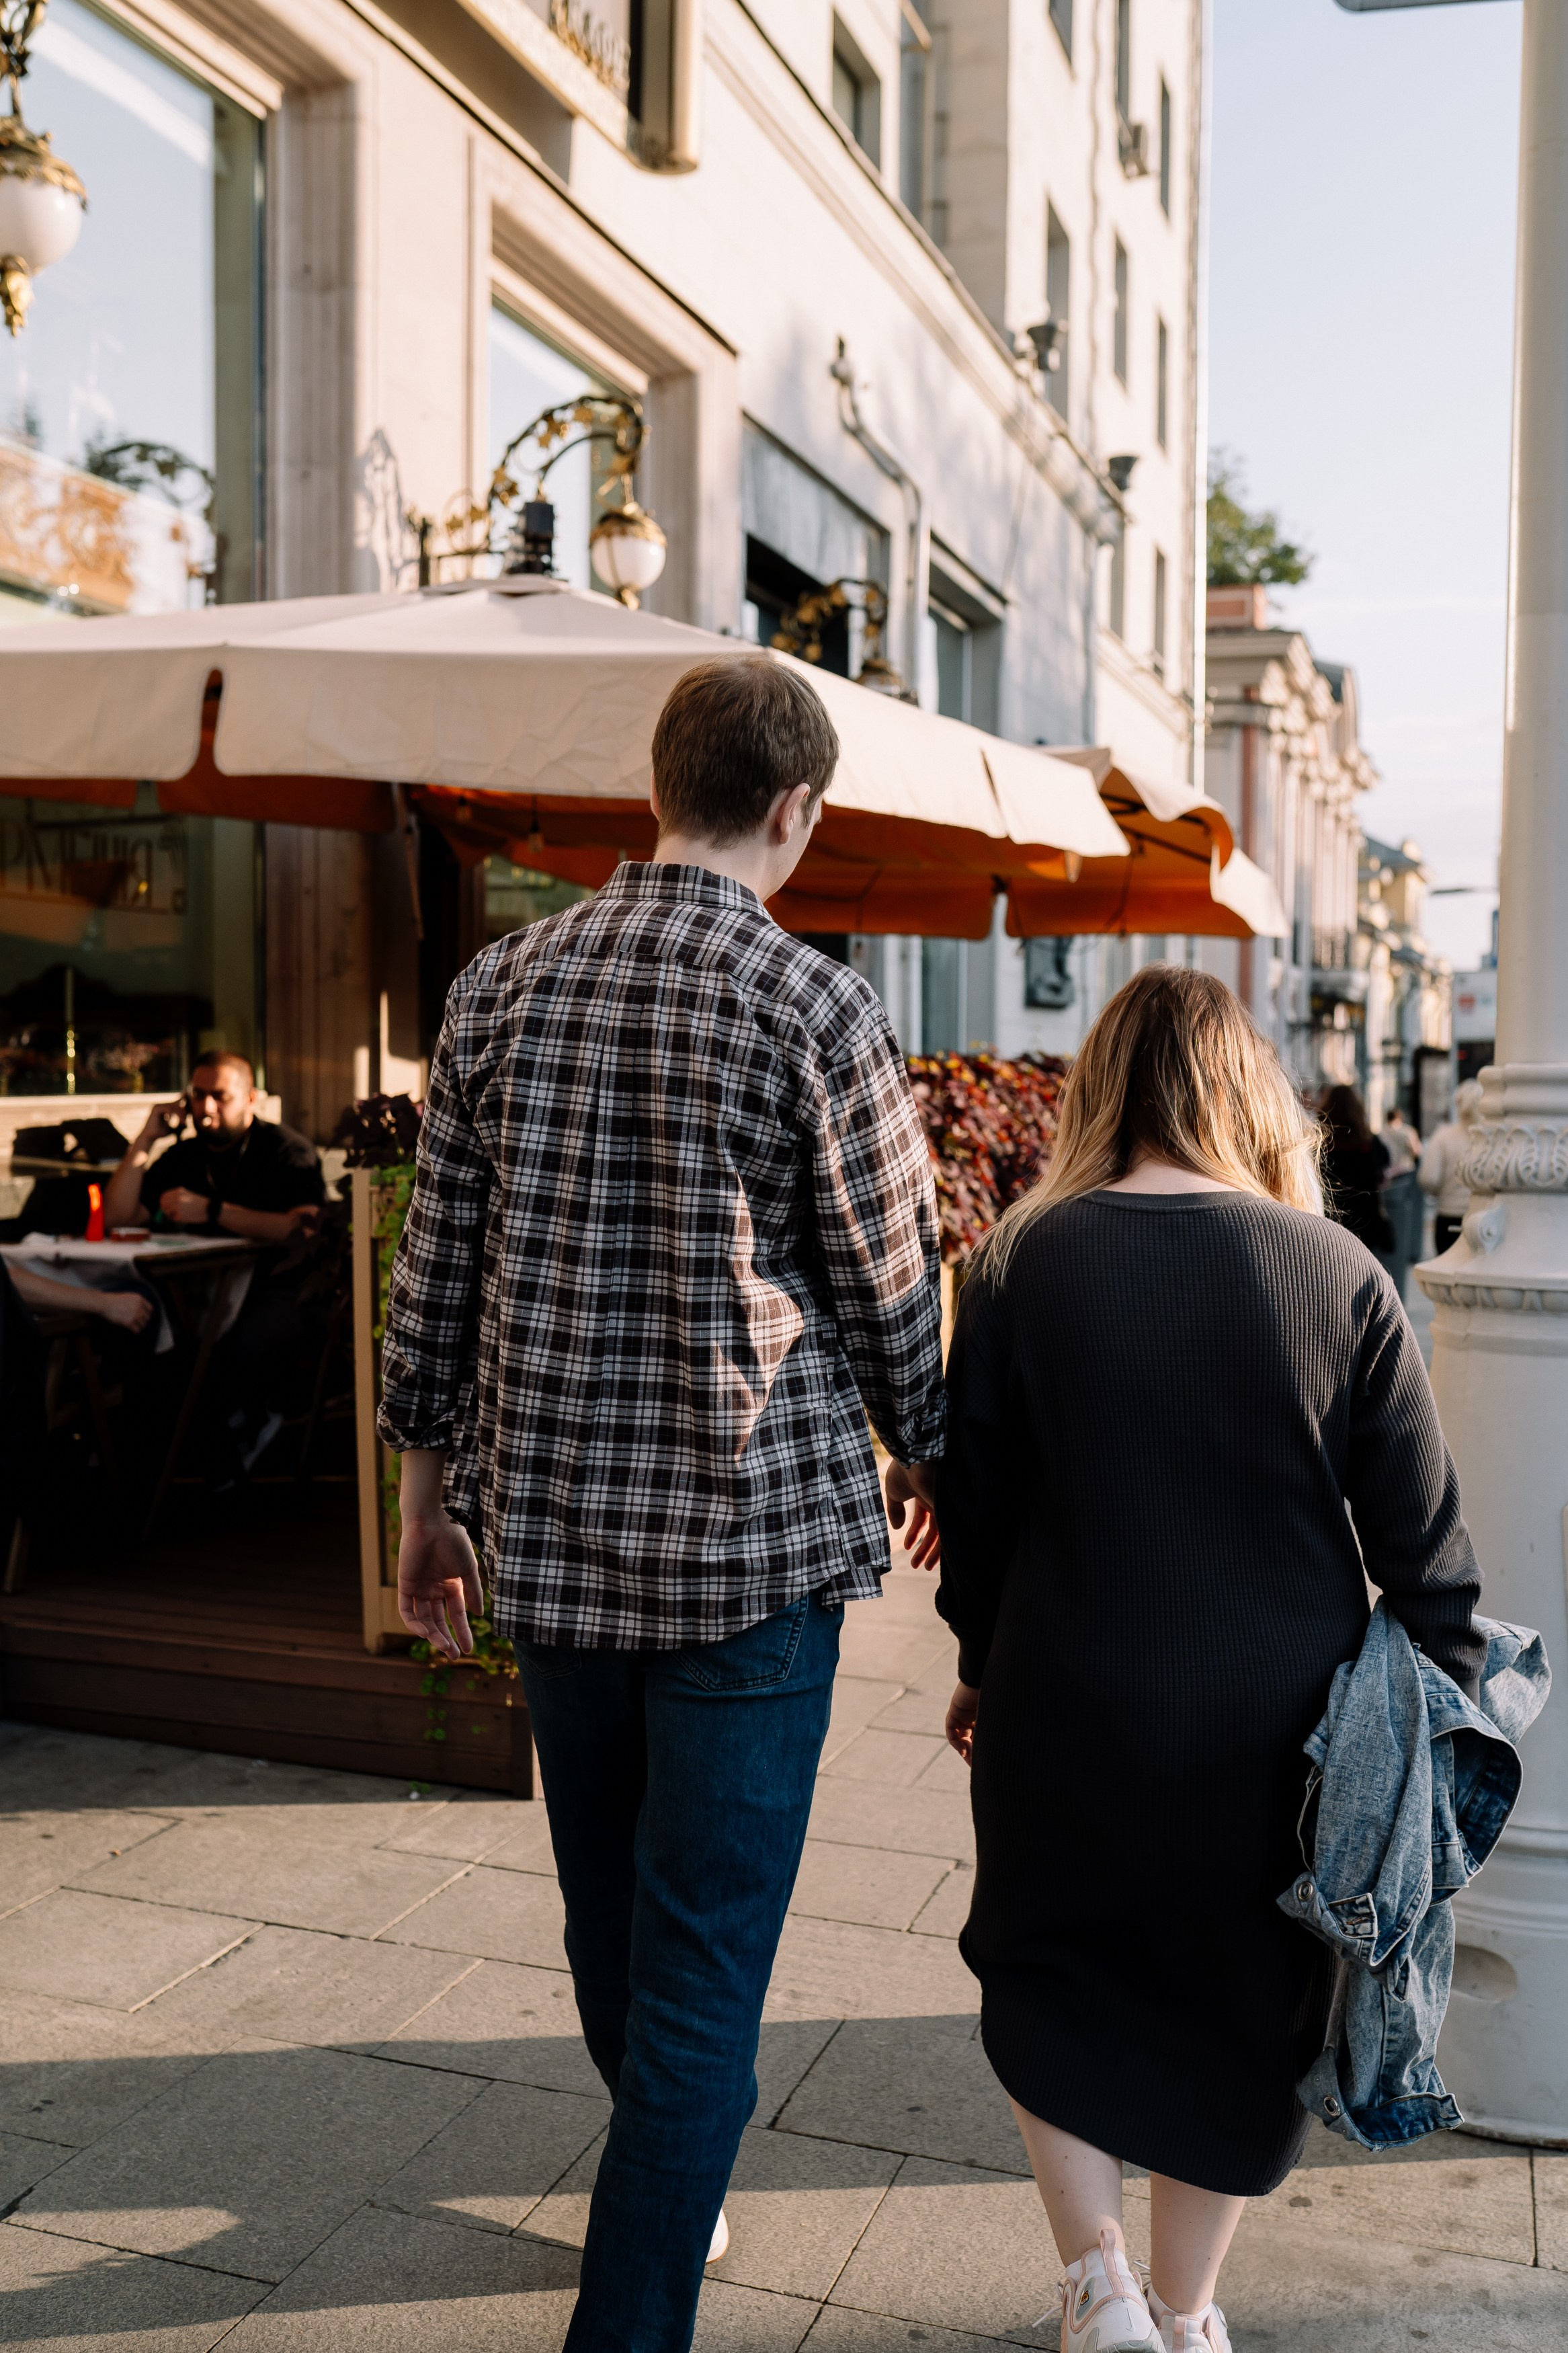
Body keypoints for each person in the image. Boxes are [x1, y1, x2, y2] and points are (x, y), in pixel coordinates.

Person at [379, 655, 946, 2353]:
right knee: (702, 1968)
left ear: (657, 785)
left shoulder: (498, 987)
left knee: (616, 1923)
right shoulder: (816, 1007)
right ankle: (642, 2282)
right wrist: (927, 1448)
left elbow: (437, 1275)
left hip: (546, 1546)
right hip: (748, 1564)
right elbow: (889, 1287)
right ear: (793, 811)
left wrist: (426, 1510)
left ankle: (664, 2176)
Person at [935, 967, 1482, 2353]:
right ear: (1251, 1096)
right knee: (1247, 2011)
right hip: (1277, 1726)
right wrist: (1435, 1724)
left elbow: (977, 1513)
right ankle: (1178, 2314)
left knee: (1040, 1967)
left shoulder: (1017, 1260)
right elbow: (1425, 1554)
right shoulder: (1337, 1273)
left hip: (1063, 1694)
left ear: (1097, 1088)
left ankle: (1094, 2286)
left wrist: (976, 1667)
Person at [104, 1053, 326, 1474]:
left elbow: (306, 1229)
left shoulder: (285, 1149)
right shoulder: (183, 1157)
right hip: (197, 1289)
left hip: (277, 1284)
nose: (206, 1108)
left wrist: (213, 1211)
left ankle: (244, 1443)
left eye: (220, 1097)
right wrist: (146, 1139)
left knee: (236, 1348)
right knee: (144, 1337)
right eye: (198, 1096)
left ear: (250, 1098)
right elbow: (117, 1218)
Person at [1319, 1083, 1393, 1252]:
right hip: (1365, 1219)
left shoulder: (1321, 1143)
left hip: (1330, 1220)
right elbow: (1385, 1167)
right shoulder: (1369, 1142)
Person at [1419, 1078, 1484, 1255]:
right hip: (1482, 1221)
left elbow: (1429, 1178)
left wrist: (1442, 1193)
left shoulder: (1443, 1137)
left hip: (1448, 1217)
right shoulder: (1489, 1140)